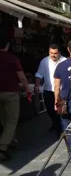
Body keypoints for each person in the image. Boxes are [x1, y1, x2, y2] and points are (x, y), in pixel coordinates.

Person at [0, 30, 31, 160]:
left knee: (3, 118)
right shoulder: (12, 58)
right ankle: (2, 146)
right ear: (7, 45)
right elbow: (22, 78)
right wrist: (27, 89)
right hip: (11, 93)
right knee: (12, 119)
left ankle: (11, 140)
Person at [35, 44, 66, 138]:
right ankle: (55, 124)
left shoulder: (65, 61)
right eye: (51, 53)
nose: (53, 55)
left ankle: (60, 129)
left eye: (55, 53)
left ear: (59, 53)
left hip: (61, 91)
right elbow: (39, 74)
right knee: (49, 110)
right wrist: (36, 86)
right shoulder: (45, 61)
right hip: (48, 90)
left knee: (60, 111)